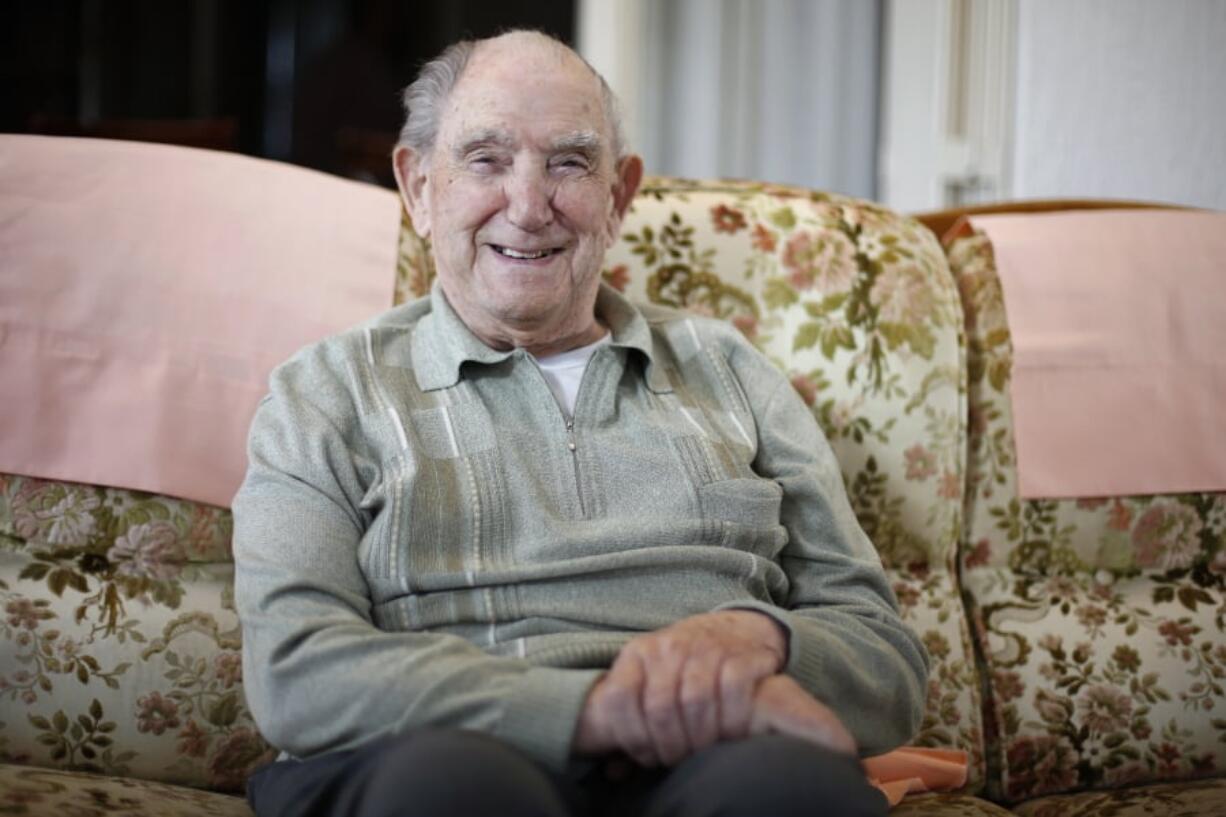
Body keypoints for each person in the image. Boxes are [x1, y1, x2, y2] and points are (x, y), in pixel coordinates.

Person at [233, 29, 928, 817]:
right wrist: (599, 711)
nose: (528, 209)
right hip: (438, 757)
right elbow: (296, 672)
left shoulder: (729, 370)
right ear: (419, 187)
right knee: (458, 792)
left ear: (619, 196)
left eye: (568, 163)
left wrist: (763, 639)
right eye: (486, 160)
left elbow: (888, 663)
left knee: (793, 791)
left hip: (709, 764)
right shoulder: (324, 392)